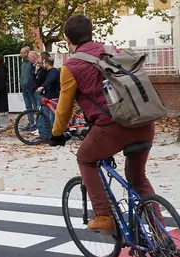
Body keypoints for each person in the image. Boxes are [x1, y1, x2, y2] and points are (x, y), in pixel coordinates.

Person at [49, 14, 157, 234]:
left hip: (114, 127)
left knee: (85, 158)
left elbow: (64, 108)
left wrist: (57, 134)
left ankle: (104, 216)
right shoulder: (112, 51)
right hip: (145, 122)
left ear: (68, 41)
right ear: (90, 34)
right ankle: (161, 234)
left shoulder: (72, 66)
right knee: (138, 178)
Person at [38, 57, 60, 140]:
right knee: (46, 116)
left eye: (43, 63)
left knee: (52, 117)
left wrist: (42, 87)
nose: (42, 65)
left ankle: (52, 136)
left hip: (53, 97)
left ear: (47, 63)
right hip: (48, 96)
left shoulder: (54, 72)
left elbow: (50, 81)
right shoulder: (48, 71)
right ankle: (46, 135)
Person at [19, 46, 35, 130]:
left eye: (22, 52)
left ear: (26, 53)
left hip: (30, 88)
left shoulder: (31, 63)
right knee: (28, 106)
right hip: (24, 87)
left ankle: (36, 124)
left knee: (34, 105)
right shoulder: (23, 63)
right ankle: (31, 122)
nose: (20, 54)